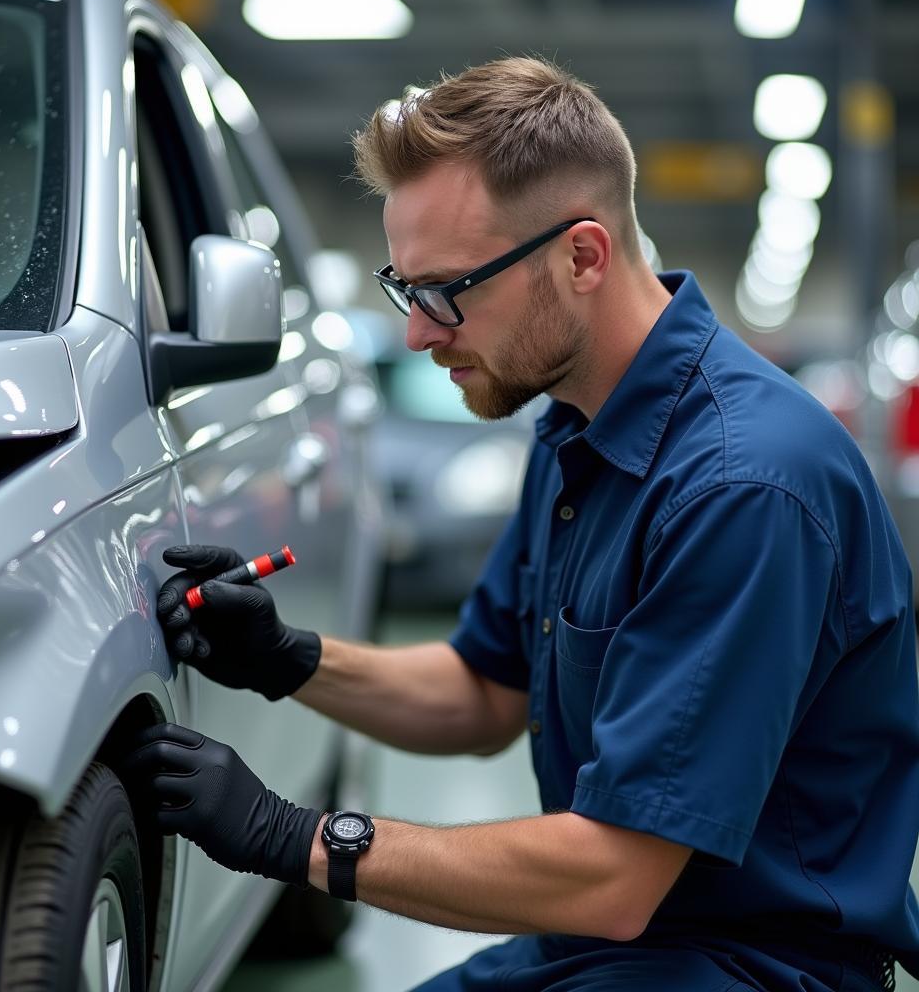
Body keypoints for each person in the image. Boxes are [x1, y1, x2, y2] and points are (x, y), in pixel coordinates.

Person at [124, 57, 919, 991]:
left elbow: (615, 876)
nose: (419, 334)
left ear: (582, 257)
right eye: (405, 289)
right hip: (603, 946)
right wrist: (287, 657)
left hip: (747, 968)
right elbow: (483, 693)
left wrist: (294, 836)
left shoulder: (743, 486)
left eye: (446, 290)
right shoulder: (574, 425)